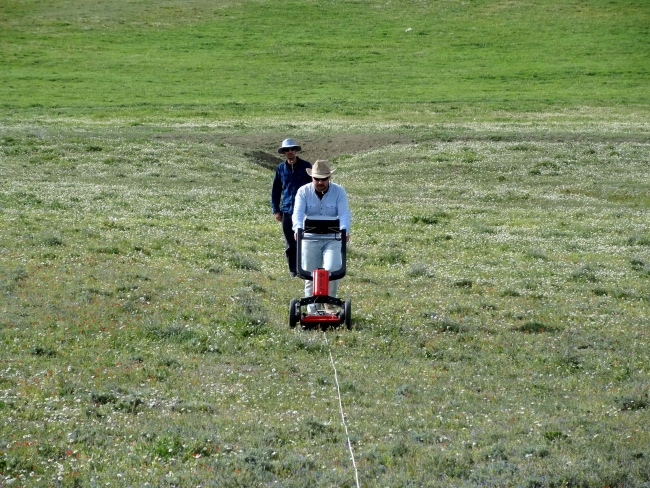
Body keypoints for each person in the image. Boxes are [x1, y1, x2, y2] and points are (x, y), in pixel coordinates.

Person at [292, 160, 351, 311]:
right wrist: (297, 229)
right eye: (317, 178)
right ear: (312, 177)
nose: (320, 182)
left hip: (332, 238)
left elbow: (344, 213)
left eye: (323, 179)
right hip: (310, 237)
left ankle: (328, 303)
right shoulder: (303, 192)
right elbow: (297, 214)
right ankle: (312, 311)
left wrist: (344, 230)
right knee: (310, 274)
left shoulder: (339, 192)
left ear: (329, 178)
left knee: (332, 269)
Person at [271, 138, 312, 276]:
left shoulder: (306, 166)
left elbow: (313, 188)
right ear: (283, 152)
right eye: (286, 150)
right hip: (287, 210)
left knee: (305, 240)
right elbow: (276, 190)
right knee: (290, 242)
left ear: (295, 150)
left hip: (304, 211)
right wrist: (276, 209)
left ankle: (305, 268)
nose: (289, 152)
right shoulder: (280, 168)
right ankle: (293, 270)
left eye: (292, 149)